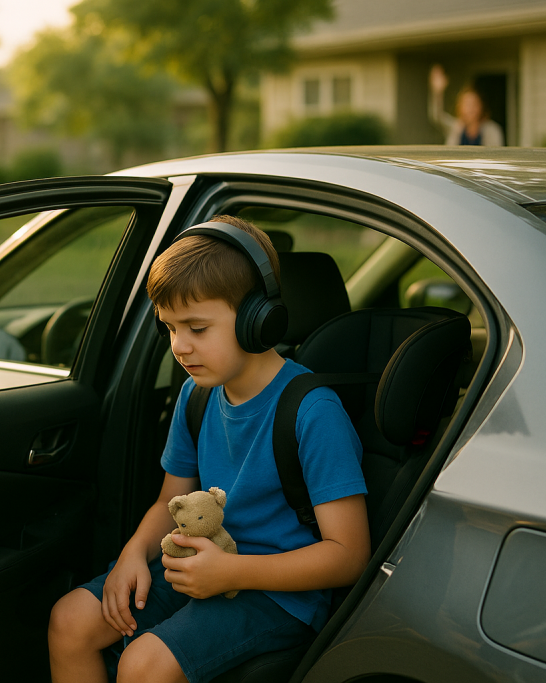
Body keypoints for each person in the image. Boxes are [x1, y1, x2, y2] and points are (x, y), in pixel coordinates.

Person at [47, 215, 371, 683]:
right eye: (170, 328)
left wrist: (232, 573)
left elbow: (348, 554)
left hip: (277, 592)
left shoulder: (312, 411)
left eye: (197, 328)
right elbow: (168, 500)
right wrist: (133, 555)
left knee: (142, 666)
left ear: (258, 321)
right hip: (202, 566)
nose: (179, 347)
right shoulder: (196, 396)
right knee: (70, 619)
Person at [429, 64, 505, 146]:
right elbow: (437, 116)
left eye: (474, 104)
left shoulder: (492, 130)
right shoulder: (456, 127)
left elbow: (496, 155)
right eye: (467, 104)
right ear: (460, 107)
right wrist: (437, 92)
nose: (471, 108)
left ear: (481, 106)